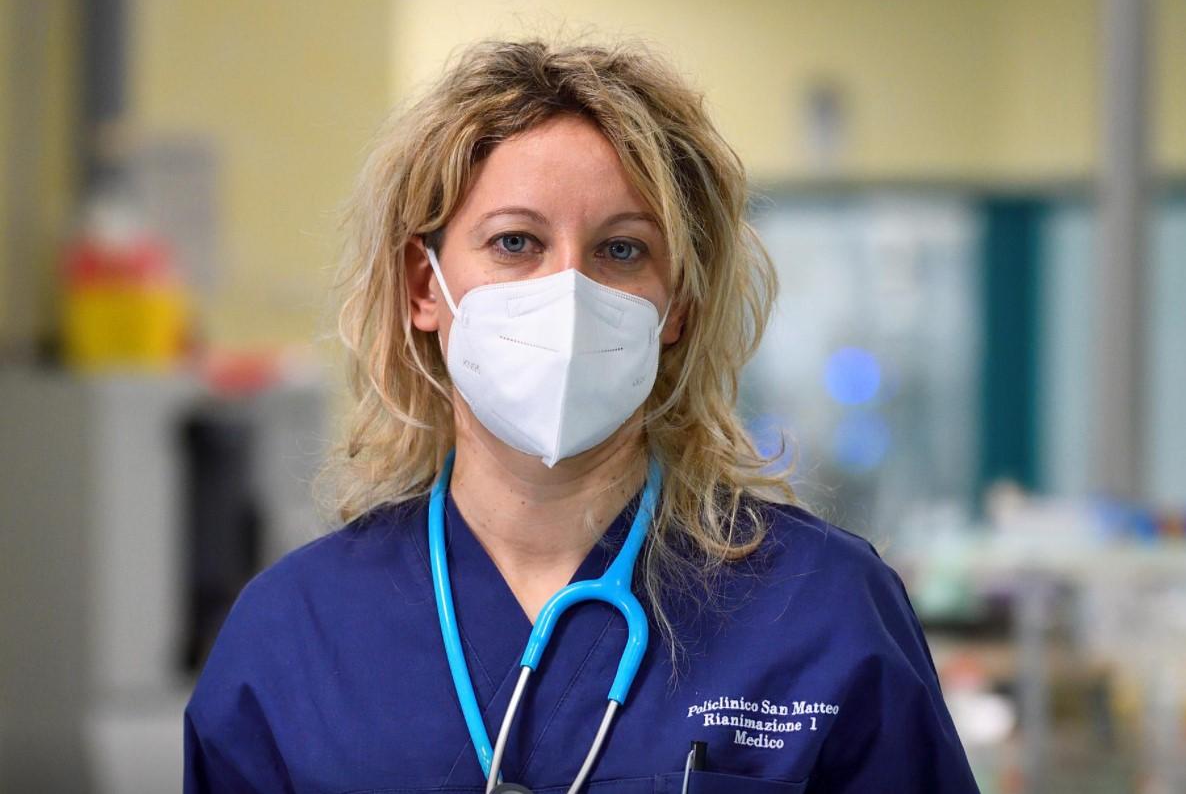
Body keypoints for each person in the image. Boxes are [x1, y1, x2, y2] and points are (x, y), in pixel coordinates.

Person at [183, 38, 978, 793]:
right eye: (516, 242)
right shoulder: (291, 636)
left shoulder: (822, 607)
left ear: (678, 308)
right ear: (425, 289)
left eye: (622, 250)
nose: (569, 290)